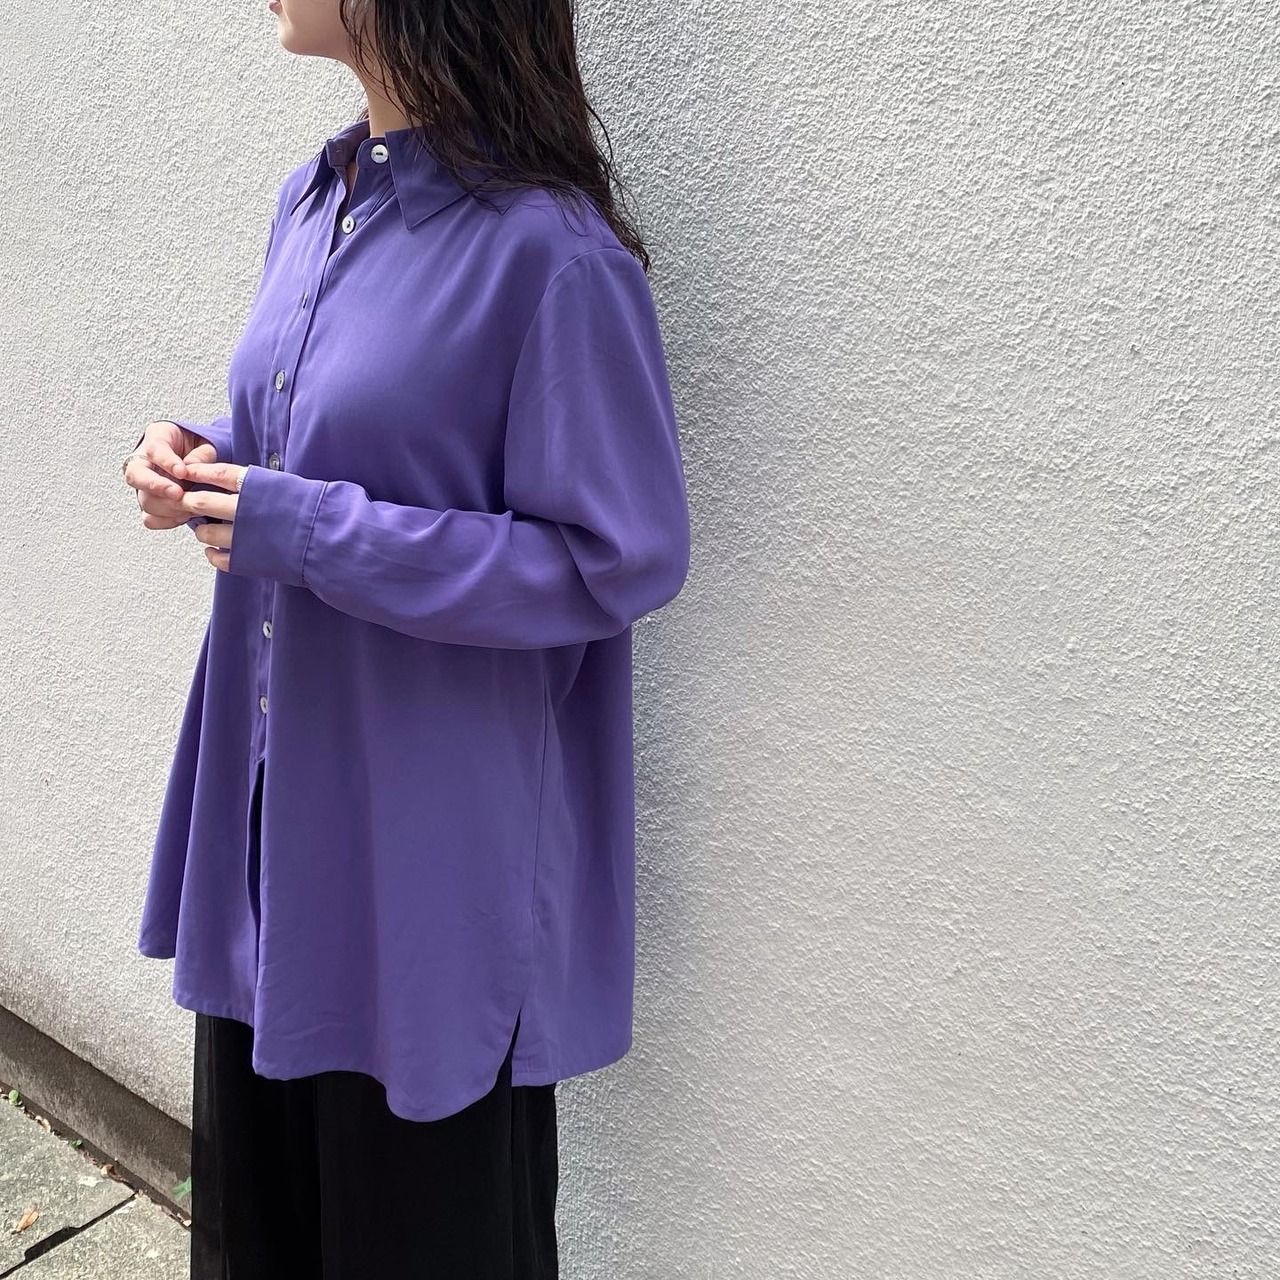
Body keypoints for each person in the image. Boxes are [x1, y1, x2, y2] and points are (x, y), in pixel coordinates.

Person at [120, 0, 692, 1275]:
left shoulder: (553, 254)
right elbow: (348, 436)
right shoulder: (313, 200)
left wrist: (309, 528)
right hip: (276, 835)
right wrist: (204, 455)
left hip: (428, 875)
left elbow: (619, 555)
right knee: (267, 1231)